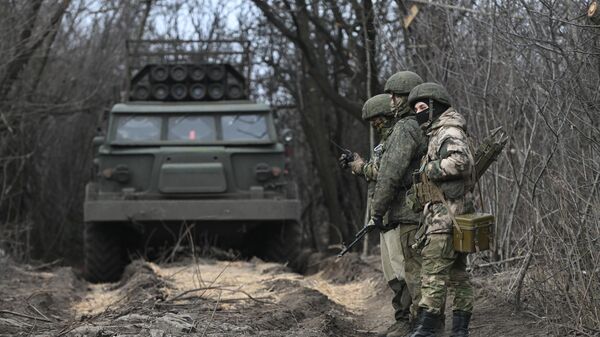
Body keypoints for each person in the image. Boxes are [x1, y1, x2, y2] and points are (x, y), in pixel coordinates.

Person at [359, 71, 427, 337]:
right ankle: (416, 323)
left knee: (411, 272)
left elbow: (389, 174)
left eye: (394, 96)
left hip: (407, 212)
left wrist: (376, 211)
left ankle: (420, 325)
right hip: (409, 210)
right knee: (408, 271)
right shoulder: (416, 126)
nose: (391, 101)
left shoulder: (405, 129)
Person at [405, 82, 475, 337]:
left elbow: (461, 162)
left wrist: (429, 170)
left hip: (446, 219)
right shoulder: (441, 132)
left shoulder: (449, 132)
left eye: (422, 107)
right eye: (415, 108)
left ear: (436, 107)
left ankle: (426, 330)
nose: (418, 112)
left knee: (433, 273)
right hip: (452, 217)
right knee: (458, 275)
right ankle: (460, 331)